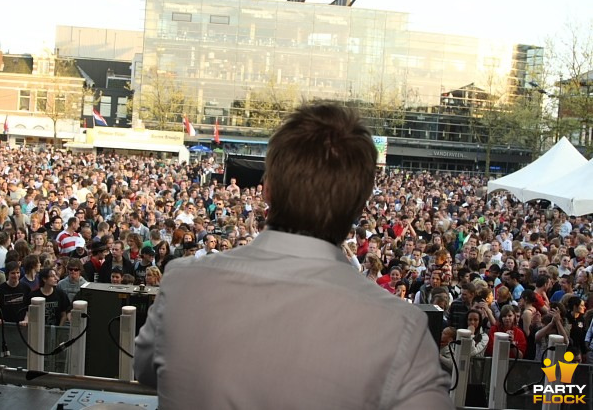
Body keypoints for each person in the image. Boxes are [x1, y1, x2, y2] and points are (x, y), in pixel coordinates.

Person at [134, 102, 453, 408]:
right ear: (361, 205)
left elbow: (146, 371)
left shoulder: (184, 282)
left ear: (267, 189)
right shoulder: (401, 329)